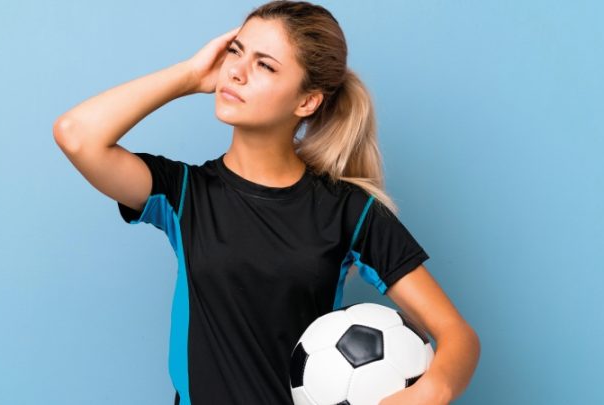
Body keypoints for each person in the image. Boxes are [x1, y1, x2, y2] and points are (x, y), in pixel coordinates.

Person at [53, 1, 480, 404]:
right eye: (236, 52)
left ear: (307, 101)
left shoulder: (349, 210)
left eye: (265, 65)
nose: (236, 72)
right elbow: (76, 134)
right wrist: (189, 75)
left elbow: (458, 335)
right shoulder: (183, 193)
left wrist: (433, 390)